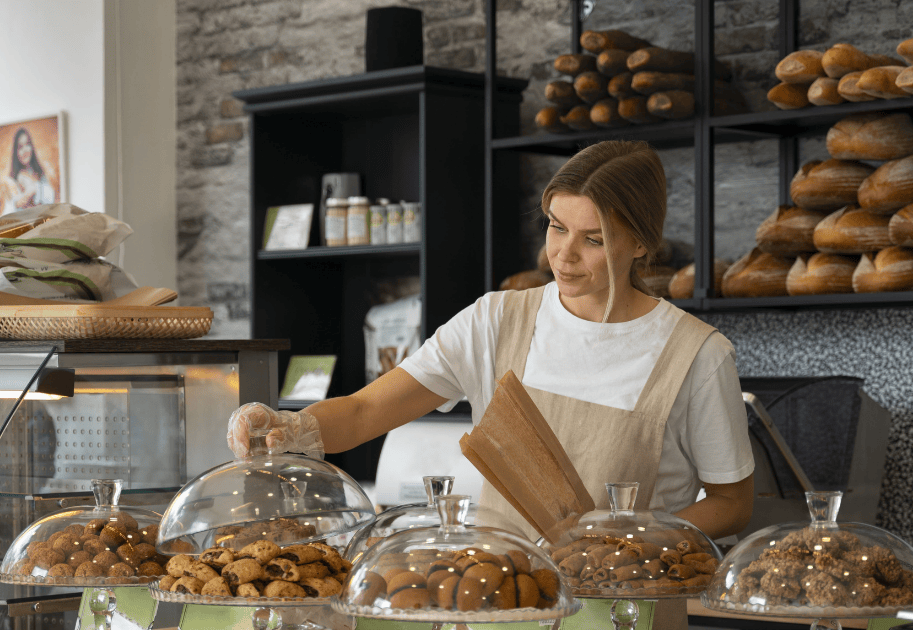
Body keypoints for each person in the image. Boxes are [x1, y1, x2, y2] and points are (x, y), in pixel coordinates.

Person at [227, 140, 754, 626]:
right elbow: (365, 411)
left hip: (624, 611)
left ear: (641, 242)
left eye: (593, 239)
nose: (563, 254)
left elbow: (732, 501)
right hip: (498, 605)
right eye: (556, 227)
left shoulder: (697, 355)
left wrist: (628, 542)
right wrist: (291, 427)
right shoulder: (496, 321)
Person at [2, 127, 55, 213]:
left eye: (27, 144)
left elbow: (50, 199)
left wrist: (35, 188)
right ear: (16, 152)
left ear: (32, 147)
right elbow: (6, 211)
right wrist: (16, 204)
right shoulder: (11, 180)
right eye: (20, 147)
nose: (25, 150)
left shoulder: (40, 173)